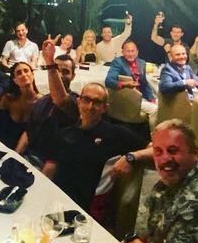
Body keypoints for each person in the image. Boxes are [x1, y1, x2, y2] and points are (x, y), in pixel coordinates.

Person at [44, 82, 146, 213]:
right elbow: (50, 167)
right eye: (86, 100)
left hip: (85, 211)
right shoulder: (66, 132)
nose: (90, 106)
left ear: (104, 108)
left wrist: (130, 157)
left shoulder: (114, 133)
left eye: (97, 102)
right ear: (78, 101)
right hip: (56, 202)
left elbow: (153, 148)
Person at [16, 43, 78, 165]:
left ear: (73, 76)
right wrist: (15, 156)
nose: (60, 75)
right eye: (57, 70)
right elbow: (28, 132)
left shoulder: (76, 101)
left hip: (52, 165)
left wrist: (50, 64)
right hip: (28, 158)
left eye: (65, 72)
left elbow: (60, 100)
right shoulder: (41, 101)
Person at [0, 62, 39, 150]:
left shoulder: (41, 102)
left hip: (29, 149)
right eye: (19, 73)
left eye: (26, 71)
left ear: (32, 74)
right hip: (3, 145)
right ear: (15, 80)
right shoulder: (8, 98)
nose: (23, 74)